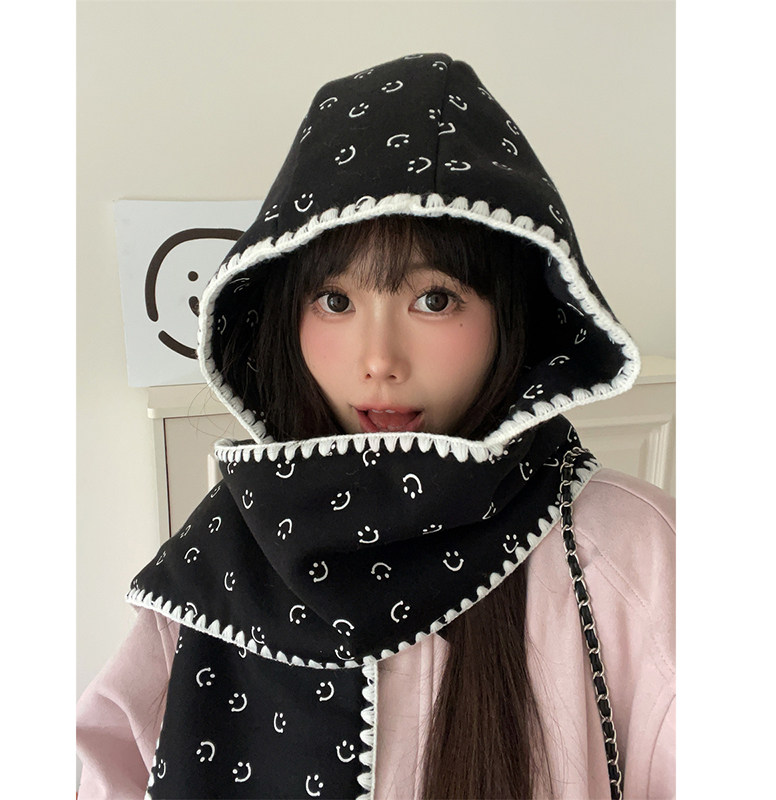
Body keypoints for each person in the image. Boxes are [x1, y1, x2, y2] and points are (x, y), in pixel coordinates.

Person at [77, 53, 674, 799]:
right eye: (335, 301)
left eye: (434, 299)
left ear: (513, 316)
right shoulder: (218, 562)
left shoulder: (635, 555)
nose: (379, 360)